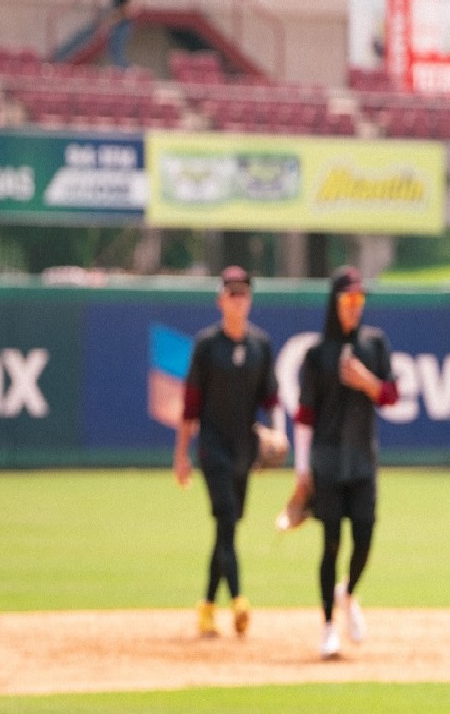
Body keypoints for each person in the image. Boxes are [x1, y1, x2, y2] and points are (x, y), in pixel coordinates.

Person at [294, 265, 400, 659]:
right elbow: (304, 415)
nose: (355, 308)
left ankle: (348, 593)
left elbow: (392, 396)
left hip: (362, 461)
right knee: (331, 542)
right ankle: (326, 626)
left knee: (366, 534)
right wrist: (302, 470)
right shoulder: (316, 354)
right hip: (325, 462)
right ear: (334, 303)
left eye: (359, 300)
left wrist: (366, 381)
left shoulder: (374, 344)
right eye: (347, 300)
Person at [174, 265, 282, 639]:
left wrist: (275, 433)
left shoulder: (260, 346)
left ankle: (206, 605)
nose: (238, 300)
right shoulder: (207, 346)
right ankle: (238, 600)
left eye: (244, 293)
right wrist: (181, 455)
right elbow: (190, 404)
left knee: (227, 529)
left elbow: (271, 399)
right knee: (225, 519)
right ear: (221, 300)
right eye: (231, 293)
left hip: (244, 447)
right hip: (213, 446)